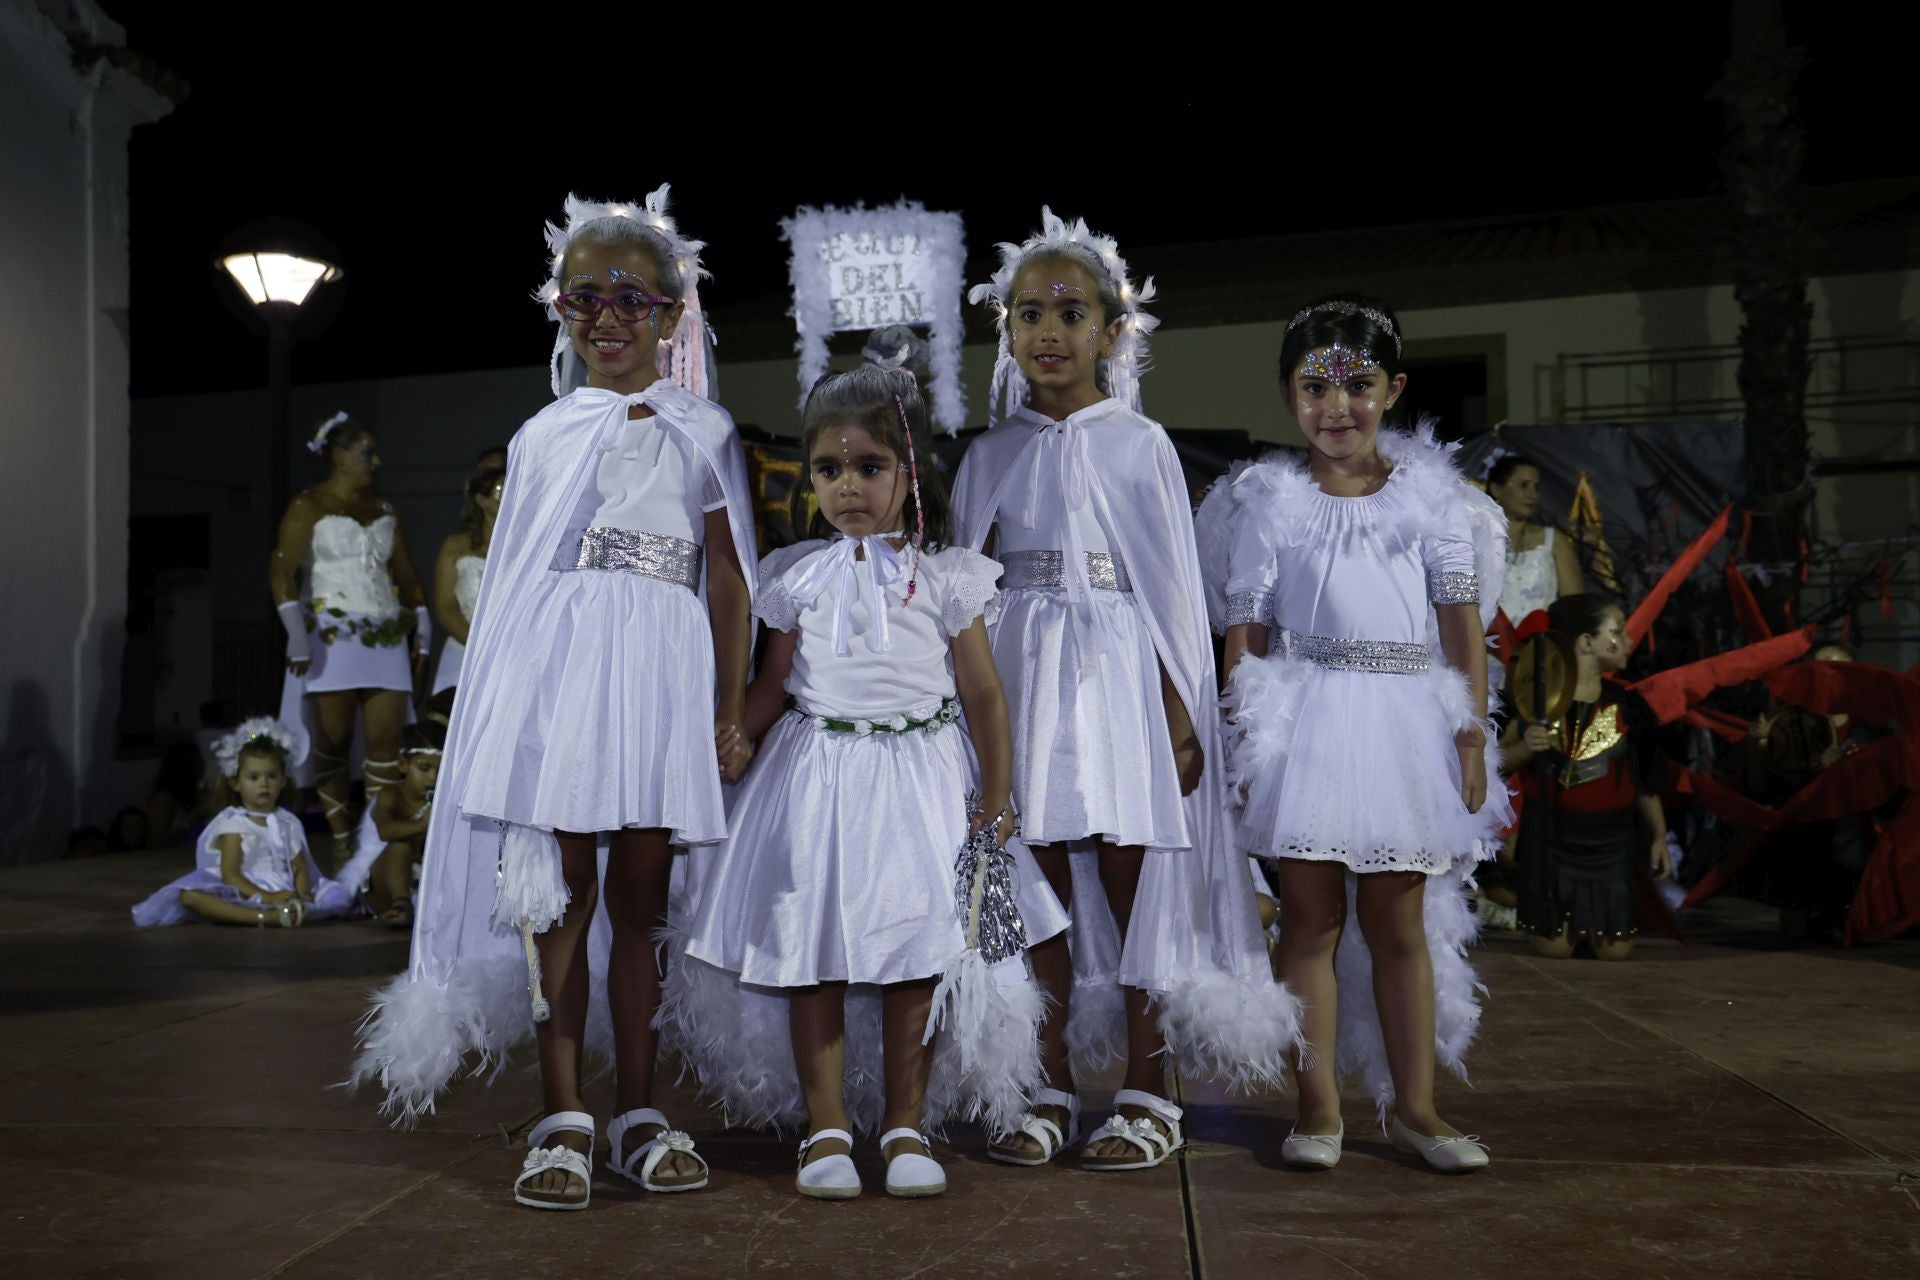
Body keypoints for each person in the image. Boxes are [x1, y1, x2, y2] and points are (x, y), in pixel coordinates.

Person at [349, 188, 758, 1216]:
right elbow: (517, 587)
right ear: (561, 312)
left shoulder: (705, 430)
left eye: (631, 299)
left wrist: (729, 704)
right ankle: (563, 1111)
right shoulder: (542, 435)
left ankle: (638, 1109)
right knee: (561, 895)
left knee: (643, 898)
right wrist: (508, 713)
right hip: (570, 684)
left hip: (661, 678)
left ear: (672, 313)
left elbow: (728, 576)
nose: (607, 319)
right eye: (585, 300)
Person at [665, 362, 1063, 1201]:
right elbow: (775, 682)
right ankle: (827, 1128)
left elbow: (983, 693)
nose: (848, 486)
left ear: (909, 473)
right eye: (828, 469)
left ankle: (904, 1125)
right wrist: (735, 730)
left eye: (869, 467)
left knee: (916, 954)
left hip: (922, 780)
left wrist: (997, 793)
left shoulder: (947, 575)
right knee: (815, 953)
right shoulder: (796, 573)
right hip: (817, 781)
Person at [953, 209, 1298, 1173]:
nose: (1049, 332)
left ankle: (1150, 1086)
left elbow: (1173, 594)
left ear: (1112, 332)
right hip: (1021, 678)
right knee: (1034, 882)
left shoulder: (1140, 444)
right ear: (1006, 330)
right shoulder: (987, 454)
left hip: (1117, 679)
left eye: (1072, 313)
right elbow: (964, 591)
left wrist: (1181, 715)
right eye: (1029, 313)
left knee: (1133, 877)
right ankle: (1051, 1081)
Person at [1209, 294, 1509, 1173]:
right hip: (1304, 723)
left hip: (1402, 724)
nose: (1336, 407)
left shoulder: (1434, 501)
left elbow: (1461, 628)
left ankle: (1416, 1108)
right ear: (1287, 394)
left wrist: (1468, 738)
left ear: (1395, 390)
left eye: (1358, 386)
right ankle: (1318, 1109)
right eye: (1315, 388)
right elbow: (1246, 632)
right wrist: (1245, 737)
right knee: (1308, 918)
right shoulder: (1268, 503)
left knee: (1397, 920)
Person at [270, 412, 429, 866]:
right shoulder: (308, 505)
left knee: (386, 742)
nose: (375, 462)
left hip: (384, 634)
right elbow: (281, 570)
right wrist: (295, 632)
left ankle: (376, 843)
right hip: (330, 633)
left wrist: (422, 624)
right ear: (339, 455)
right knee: (335, 737)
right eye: (367, 452)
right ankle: (341, 837)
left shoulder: (384, 510)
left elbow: (405, 575)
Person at [1502, 594, 1671, 960]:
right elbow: (1497, 764)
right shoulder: (1536, 699)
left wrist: (1659, 835)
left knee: (1615, 953)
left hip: (1610, 842)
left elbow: (1645, 779)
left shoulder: (1629, 706)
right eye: (1618, 631)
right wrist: (1526, 748)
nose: (1628, 640)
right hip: (1551, 840)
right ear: (1586, 642)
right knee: (1555, 949)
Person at [131, 718, 356, 927]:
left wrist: (303, 894)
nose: (264, 784)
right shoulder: (234, 822)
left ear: (283, 781)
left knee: (340, 894)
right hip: (244, 890)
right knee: (189, 896)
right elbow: (230, 873)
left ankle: (292, 912)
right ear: (235, 783)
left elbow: (298, 867)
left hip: (285, 888)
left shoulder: (288, 821)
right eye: (254, 777)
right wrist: (266, 896)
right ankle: (263, 917)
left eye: (271, 776)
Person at [336, 723, 443, 927]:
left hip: (424, 880)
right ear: (403, 764)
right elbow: (385, 832)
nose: (433, 777)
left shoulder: (443, 798)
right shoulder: (391, 795)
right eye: (424, 768)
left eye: (441, 769)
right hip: (382, 882)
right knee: (400, 845)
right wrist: (421, 825)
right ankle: (401, 904)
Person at [430, 465, 503, 695]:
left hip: (510, 654)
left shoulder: (528, 546)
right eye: (502, 490)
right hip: (465, 651)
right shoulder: (456, 546)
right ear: (482, 500)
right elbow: (445, 607)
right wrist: (480, 648)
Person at [1486, 453, 1582, 625]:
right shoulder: (1474, 542)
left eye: (1536, 487)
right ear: (1496, 489)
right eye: (1524, 485)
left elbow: (1574, 605)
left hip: (1542, 639)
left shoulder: (1553, 540)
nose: (1533, 495)